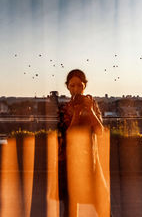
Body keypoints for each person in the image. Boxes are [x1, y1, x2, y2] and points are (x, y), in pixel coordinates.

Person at [58, 69, 109, 217]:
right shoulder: (63, 109)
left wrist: (90, 110)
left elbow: (100, 131)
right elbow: (68, 136)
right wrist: (77, 114)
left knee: (102, 205)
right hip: (70, 162)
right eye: (72, 86)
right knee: (71, 208)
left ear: (84, 86)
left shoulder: (92, 104)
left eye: (79, 86)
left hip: (91, 161)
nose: (76, 90)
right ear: (67, 87)